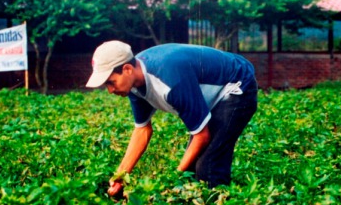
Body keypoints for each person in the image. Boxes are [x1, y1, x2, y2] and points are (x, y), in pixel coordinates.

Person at [86, 40, 258, 196]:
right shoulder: (134, 84)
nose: (109, 90)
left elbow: (202, 136)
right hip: (212, 92)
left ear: (127, 69)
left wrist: (172, 179)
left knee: (207, 167)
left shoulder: (169, 81)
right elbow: (142, 130)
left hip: (237, 83)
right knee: (192, 168)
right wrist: (121, 175)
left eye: (111, 82)